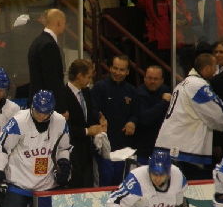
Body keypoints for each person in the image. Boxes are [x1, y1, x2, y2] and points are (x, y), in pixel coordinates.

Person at [155, 53, 223, 180]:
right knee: (190, 189)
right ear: (207, 68)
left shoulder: (183, 83)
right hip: (183, 149)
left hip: (168, 145)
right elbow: (218, 112)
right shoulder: (198, 85)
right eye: (215, 66)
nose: (216, 70)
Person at [91, 55, 138, 186]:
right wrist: (100, 117)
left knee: (122, 186)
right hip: (104, 149)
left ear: (127, 71)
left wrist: (132, 122)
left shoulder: (132, 90)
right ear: (110, 68)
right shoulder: (99, 87)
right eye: (115, 68)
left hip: (124, 148)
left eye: (122, 70)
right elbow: (92, 109)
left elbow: (136, 113)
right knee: (103, 186)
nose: (117, 72)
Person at [60, 59, 107, 188]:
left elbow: (90, 114)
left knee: (88, 186)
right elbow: (63, 128)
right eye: (88, 77)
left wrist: (100, 121)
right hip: (71, 151)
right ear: (79, 76)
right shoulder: (62, 96)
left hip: (87, 151)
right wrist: (87, 131)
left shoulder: (86, 92)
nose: (90, 80)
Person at [27, 8, 66, 102]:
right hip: (45, 105)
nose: (65, 27)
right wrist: (61, 108)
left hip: (39, 102)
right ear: (59, 23)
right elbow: (52, 80)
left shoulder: (39, 41)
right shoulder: (48, 45)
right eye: (64, 23)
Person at [135, 65, 170, 165]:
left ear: (162, 80)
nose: (152, 81)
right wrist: (163, 102)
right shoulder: (139, 93)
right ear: (144, 78)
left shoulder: (166, 90)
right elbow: (145, 119)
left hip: (163, 147)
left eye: (156, 79)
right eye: (149, 78)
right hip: (143, 149)